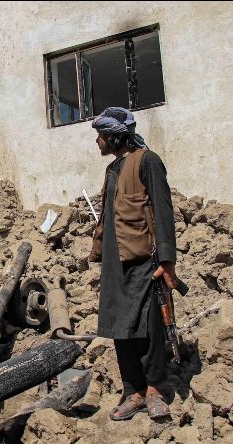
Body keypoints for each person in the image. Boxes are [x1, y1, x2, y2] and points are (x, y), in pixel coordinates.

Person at [88, 107, 179, 421]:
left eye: (101, 135)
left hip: (145, 261)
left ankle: (155, 389)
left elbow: (164, 211)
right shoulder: (113, 168)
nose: (98, 141)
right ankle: (134, 392)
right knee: (120, 328)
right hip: (116, 264)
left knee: (150, 327)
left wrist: (167, 262)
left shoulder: (147, 161)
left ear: (114, 136)